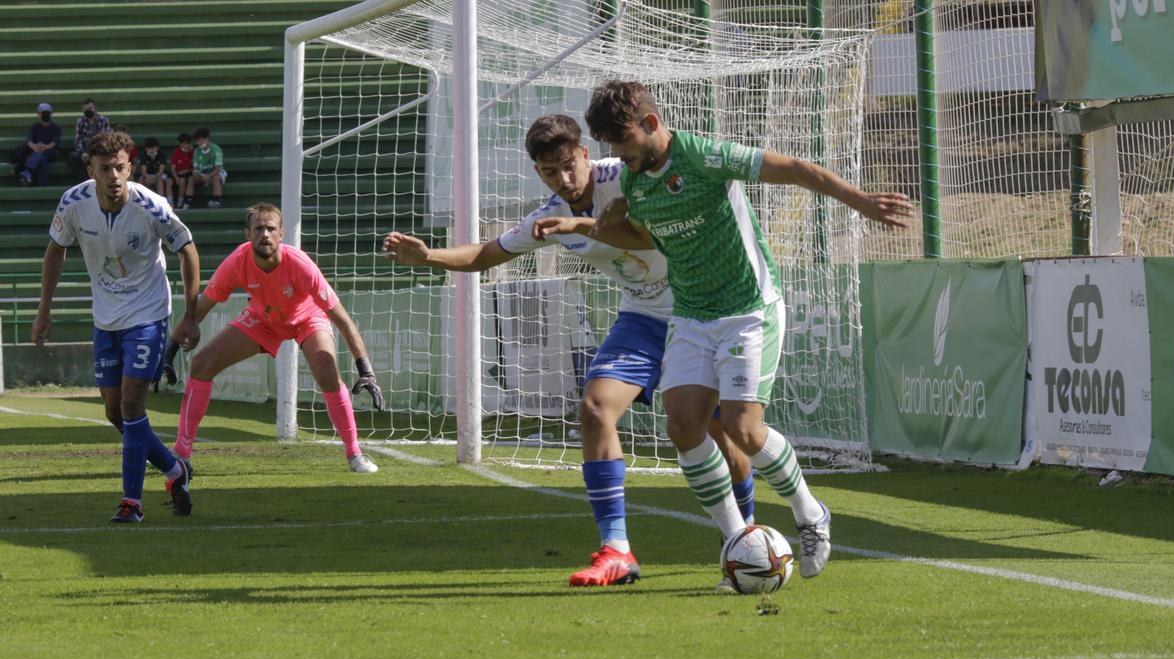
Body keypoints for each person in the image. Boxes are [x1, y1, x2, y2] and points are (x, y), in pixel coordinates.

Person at [544, 80, 912, 582]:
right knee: (683, 427)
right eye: (610, 145)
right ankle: (741, 543)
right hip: (691, 314)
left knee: (742, 428)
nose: (618, 155)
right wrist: (591, 224)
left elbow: (795, 169)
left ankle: (810, 513)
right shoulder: (633, 181)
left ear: (651, 125)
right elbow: (635, 233)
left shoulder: (704, 155)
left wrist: (860, 201)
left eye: (623, 142)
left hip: (747, 308)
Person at [382, 114, 756, 587]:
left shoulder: (627, 174)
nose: (564, 179)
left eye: (568, 165)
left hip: (699, 311)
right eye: (549, 172)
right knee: (596, 407)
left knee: (724, 434)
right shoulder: (548, 217)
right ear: (539, 174)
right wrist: (428, 256)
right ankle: (617, 550)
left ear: (584, 154)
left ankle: (744, 539)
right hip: (642, 320)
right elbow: (486, 254)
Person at [33, 130, 201, 523]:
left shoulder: (152, 207)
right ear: (90, 170)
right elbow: (55, 250)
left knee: (130, 405)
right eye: (105, 168)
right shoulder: (74, 203)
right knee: (114, 412)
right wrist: (44, 308)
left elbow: (187, 250)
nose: (114, 176)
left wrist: (190, 315)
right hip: (105, 318)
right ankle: (175, 470)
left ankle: (132, 503)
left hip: (147, 315)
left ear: (131, 167)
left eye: (120, 167)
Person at [171, 202, 384, 474]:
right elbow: (200, 308)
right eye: (258, 228)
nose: (265, 234)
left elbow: (342, 319)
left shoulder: (301, 266)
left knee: (327, 371)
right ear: (247, 234)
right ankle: (181, 453)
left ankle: (354, 453)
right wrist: (170, 349)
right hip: (263, 320)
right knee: (201, 364)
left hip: (307, 318)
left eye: (271, 228)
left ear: (282, 233)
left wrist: (365, 369)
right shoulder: (237, 261)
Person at [13, 103, 61, 187]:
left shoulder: (56, 127)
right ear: (38, 114)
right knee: (41, 159)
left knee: (38, 155)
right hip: (37, 152)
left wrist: (44, 147)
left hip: (50, 152)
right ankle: (42, 185)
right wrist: (35, 147)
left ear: (51, 114)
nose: (45, 115)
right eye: (43, 113)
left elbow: (54, 143)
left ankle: (26, 171)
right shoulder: (34, 127)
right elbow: (29, 141)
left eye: (47, 113)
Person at [67, 98, 111, 182]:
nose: (88, 111)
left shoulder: (103, 120)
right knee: (72, 157)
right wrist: (83, 152)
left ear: (95, 108)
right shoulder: (80, 121)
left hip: (98, 151)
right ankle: (84, 180)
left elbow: (105, 139)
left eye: (90, 108)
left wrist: (91, 153)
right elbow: (77, 140)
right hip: (84, 152)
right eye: (85, 109)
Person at [188, 127, 225, 208]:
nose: (198, 143)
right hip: (203, 173)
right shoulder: (197, 151)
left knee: (216, 177)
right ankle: (187, 201)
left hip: (216, 172)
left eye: (200, 140)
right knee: (191, 179)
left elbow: (218, 169)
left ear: (207, 138)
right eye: (197, 141)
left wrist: (208, 176)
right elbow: (195, 168)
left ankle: (217, 200)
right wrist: (197, 175)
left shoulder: (216, 149)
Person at [168, 132, 193, 209]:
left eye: (188, 143)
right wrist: (176, 178)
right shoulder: (176, 152)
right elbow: (173, 168)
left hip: (187, 174)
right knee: (169, 182)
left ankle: (180, 202)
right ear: (180, 143)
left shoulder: (193, 152)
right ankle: (170, 202)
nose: (186, 145)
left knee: (182, 181)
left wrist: (186, 171)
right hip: (176, 173)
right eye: (184, 143)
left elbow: (195, 167)